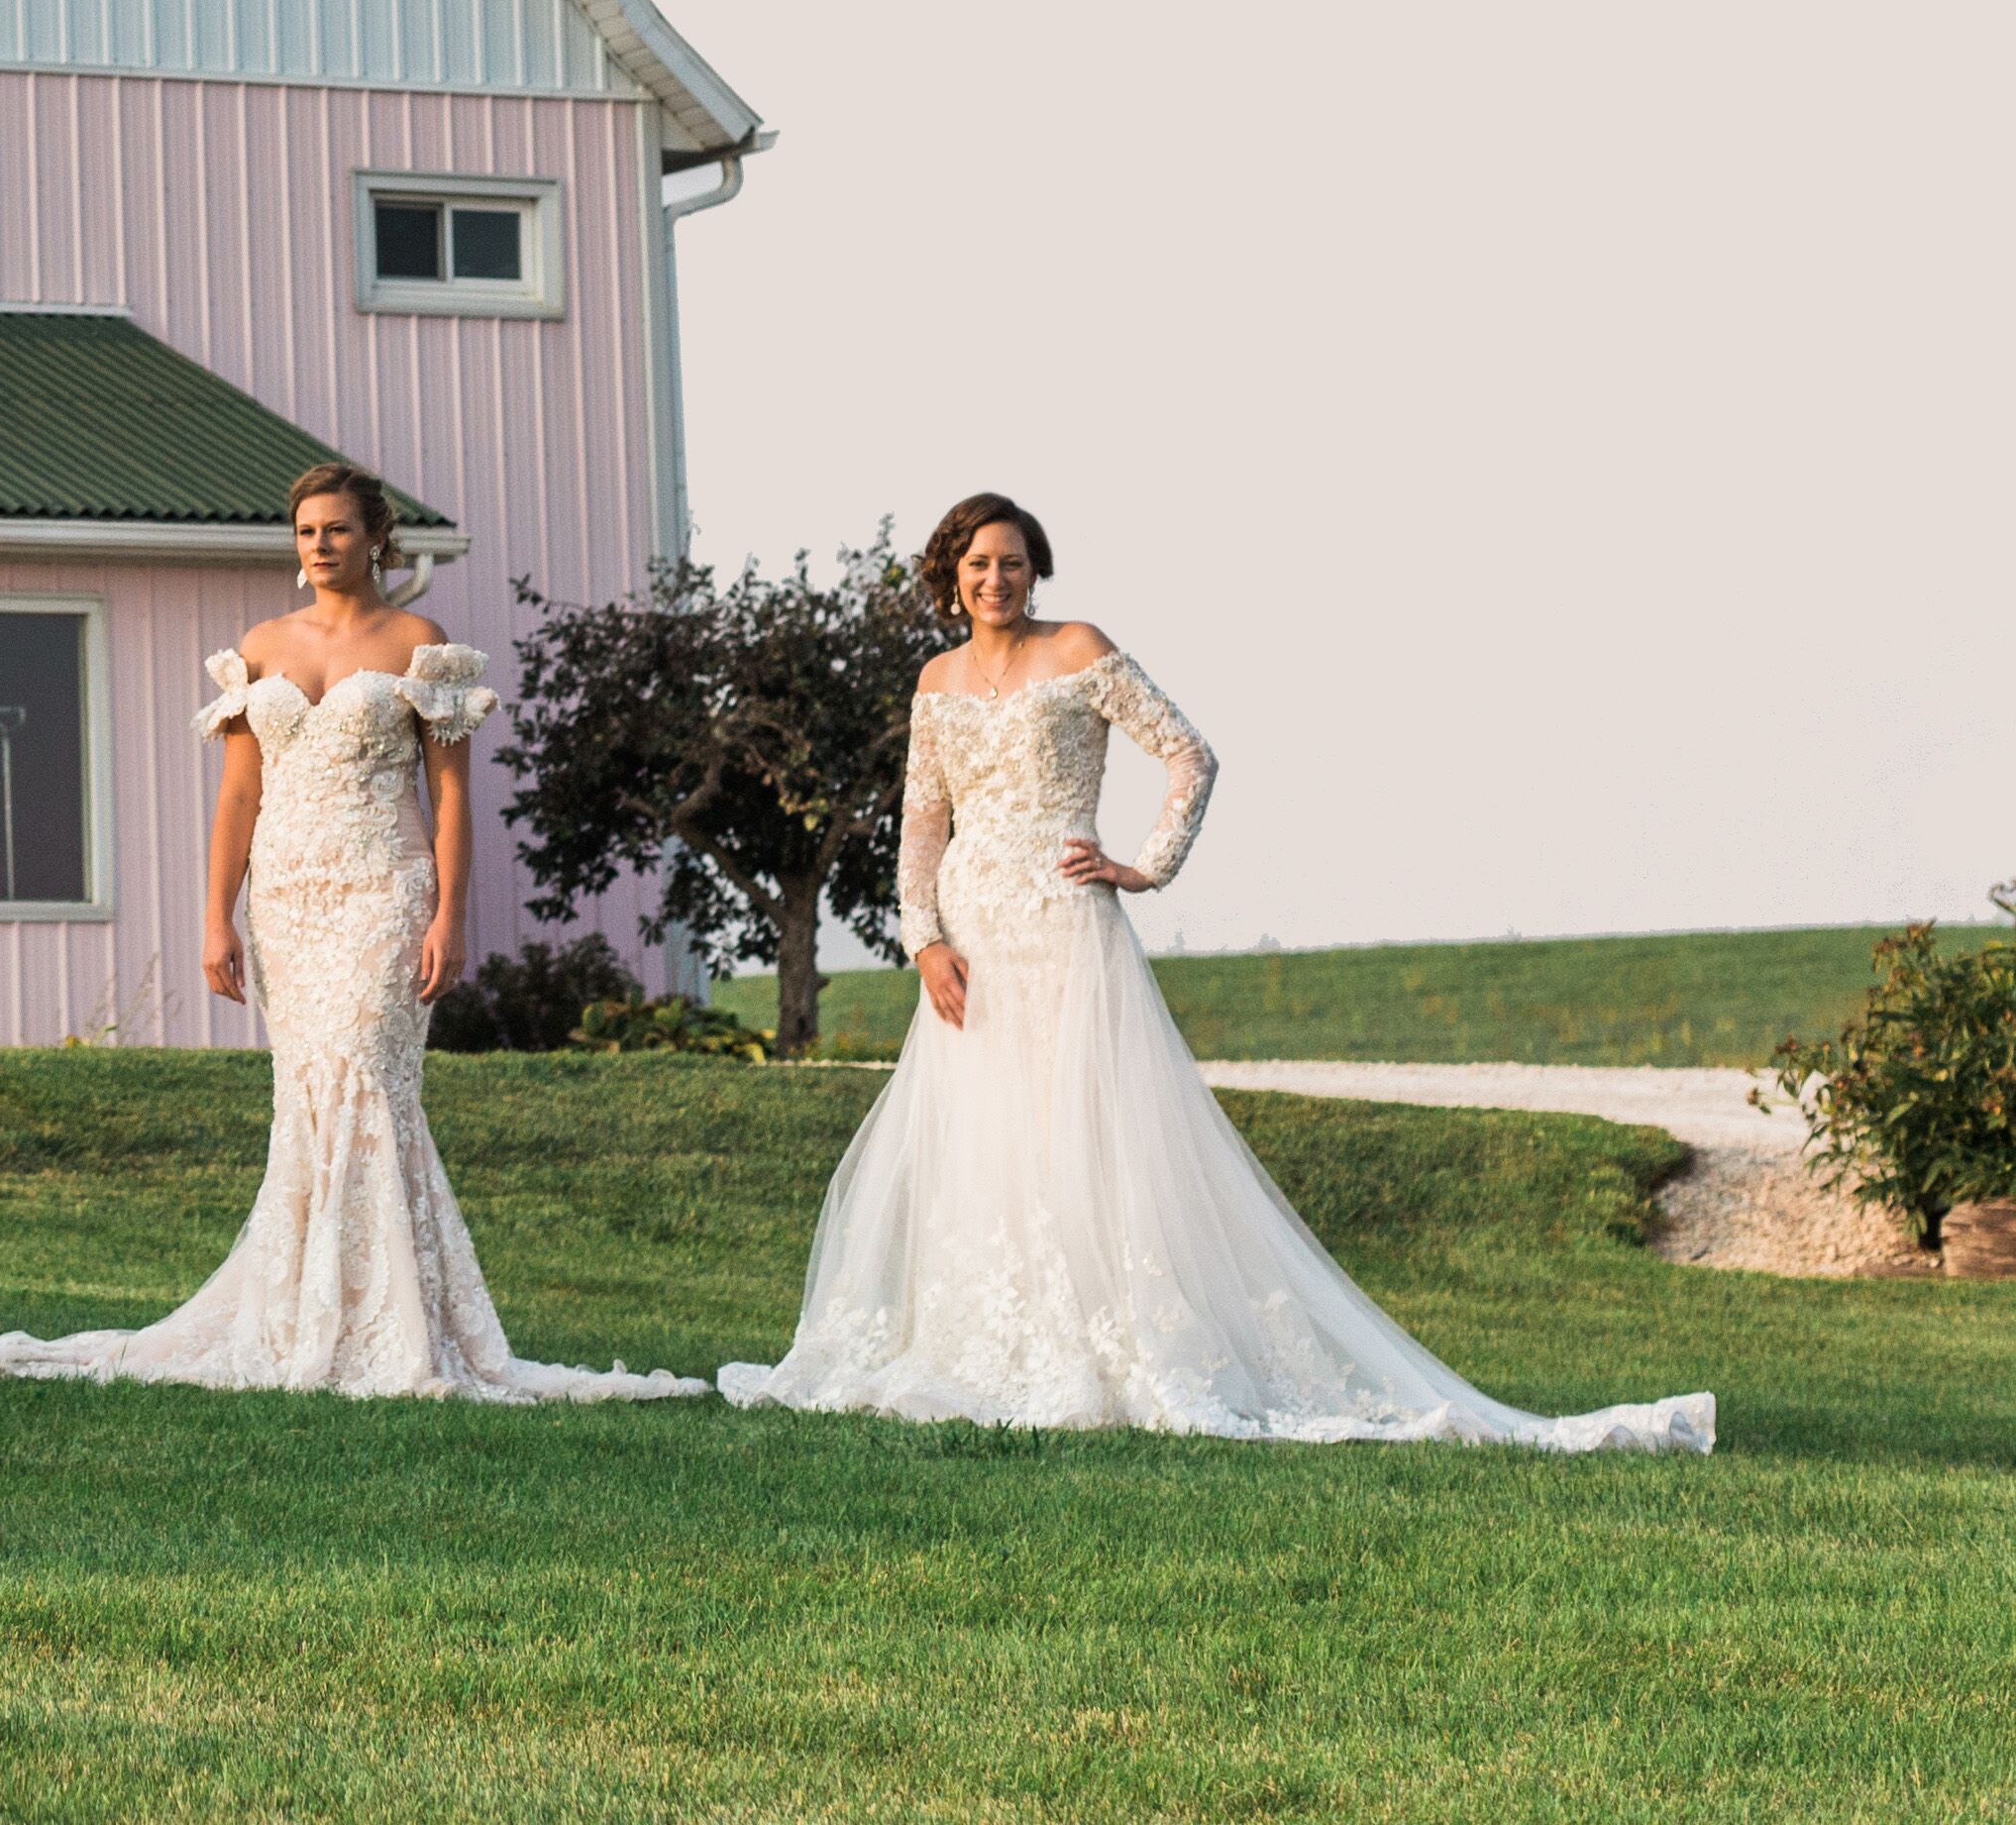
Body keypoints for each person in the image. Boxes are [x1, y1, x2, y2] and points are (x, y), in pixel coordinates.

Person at [716, 491, 1711, 1450]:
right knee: (987, 1132)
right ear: (951, 574)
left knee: (1081, 1129)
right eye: (978, 564)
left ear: (1036, 569)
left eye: (1012, 562)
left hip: (1064, 920)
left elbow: (1189, 754)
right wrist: (923, 937)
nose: (997, 578)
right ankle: (991, 1343)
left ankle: (1110, 1347)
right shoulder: (934, 682)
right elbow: (922, 823)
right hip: (970, 935)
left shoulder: (1081, 650)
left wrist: (1143, 865)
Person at [0, 464, 699, 1404]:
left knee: (366, 1078)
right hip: (286, 902)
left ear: (376, 539)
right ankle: (301, 1313)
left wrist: (448, 912)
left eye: (339, 530)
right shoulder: (262, 646)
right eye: (307, 531)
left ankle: (388, 1328)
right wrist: (215, 917)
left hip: (384, 891)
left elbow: (449, 798)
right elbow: (239, 794)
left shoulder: (417, 644)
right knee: (307, 1097)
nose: (321, 546)